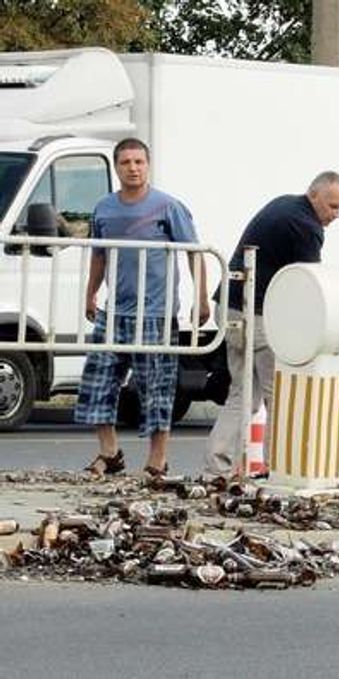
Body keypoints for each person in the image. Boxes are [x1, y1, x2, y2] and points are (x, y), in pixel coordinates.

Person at [203, 171, 339, 479]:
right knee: (278, 395)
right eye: (333, 207)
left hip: (229, 306)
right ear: (314, 196)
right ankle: (280, 469)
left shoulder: (283, 204)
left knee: (242, 393)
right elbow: (314, 285)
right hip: (256, 315)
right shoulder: (306, 226)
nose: (336, 216)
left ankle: (218, 468)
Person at [76, 137, 210, 477]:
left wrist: (202, 297)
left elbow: (194, 252)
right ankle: (109, 453)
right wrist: (91, 293)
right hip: (114, 312)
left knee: (158, 390)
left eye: (139, 162)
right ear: (117, 167)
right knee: (98, 382)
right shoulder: (104, 208)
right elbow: (99, 254)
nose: (133, 168)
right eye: (126, 163)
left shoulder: (168, 206)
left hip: (156, 314)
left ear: (148, 166)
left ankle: (157, 461)